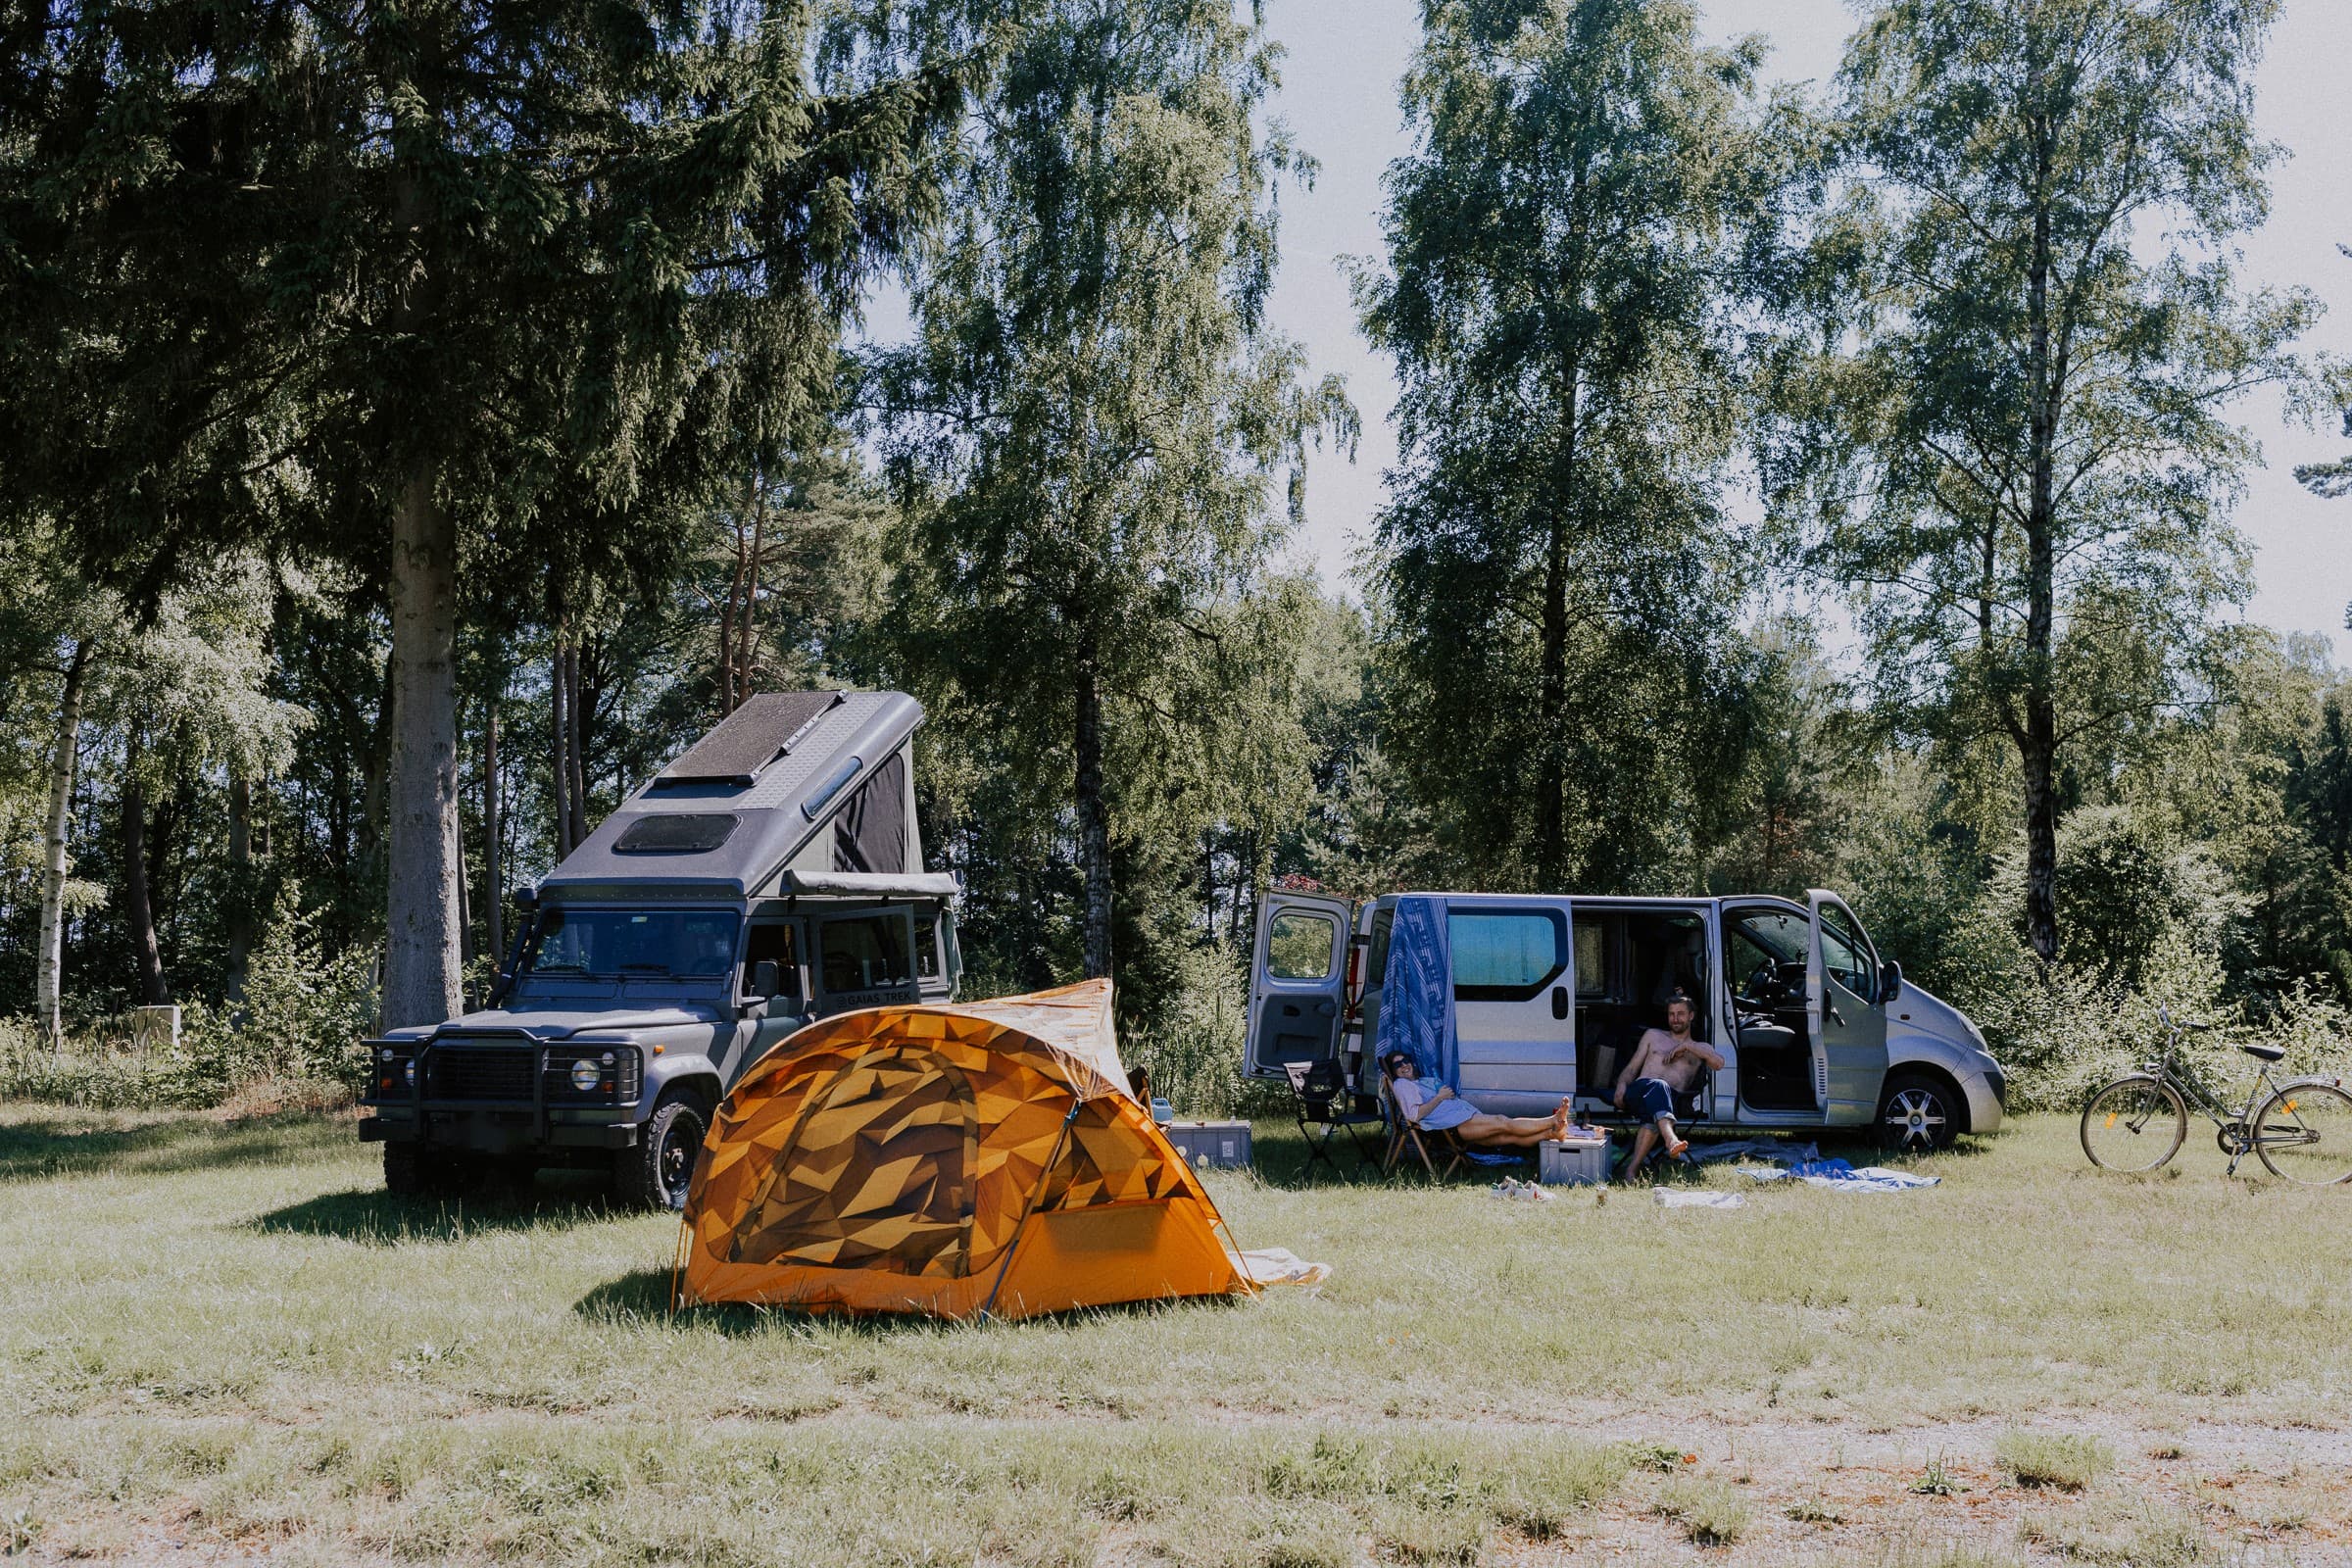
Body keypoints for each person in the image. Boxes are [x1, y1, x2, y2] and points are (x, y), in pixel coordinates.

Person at [1611, 992, 1724, 1179]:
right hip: (1639, 1093)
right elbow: (1631, 1069)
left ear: (1691, 1016)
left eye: (1680, 1014)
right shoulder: (1653, 1036)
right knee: (1658, 1086)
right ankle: (1671, 1140)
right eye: (1671, 1014)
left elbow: (1719, 1063)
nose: (1675, 1019)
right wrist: (1621, 1085)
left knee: (1654, 1111)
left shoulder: (1700, 1048)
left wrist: (1687, 1047)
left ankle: (1631, 1170)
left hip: (1673, 1101)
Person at [1382, 1051, 1571, 1149]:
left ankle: (1550, 1135)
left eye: (1406, 1060)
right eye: (1398, 1064)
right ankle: (1552, 1120)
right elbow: (1414, 1115)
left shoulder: (1424, 1081)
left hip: (1459, 1117)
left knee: (1505, 1137)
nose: (1404, 1065)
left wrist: (1442, 1093)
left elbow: (1446, 1092)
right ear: (1394, 1070)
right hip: (1450, 1126)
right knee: (1502, 1122)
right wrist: (1439, 1097)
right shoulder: (1402, 1084)